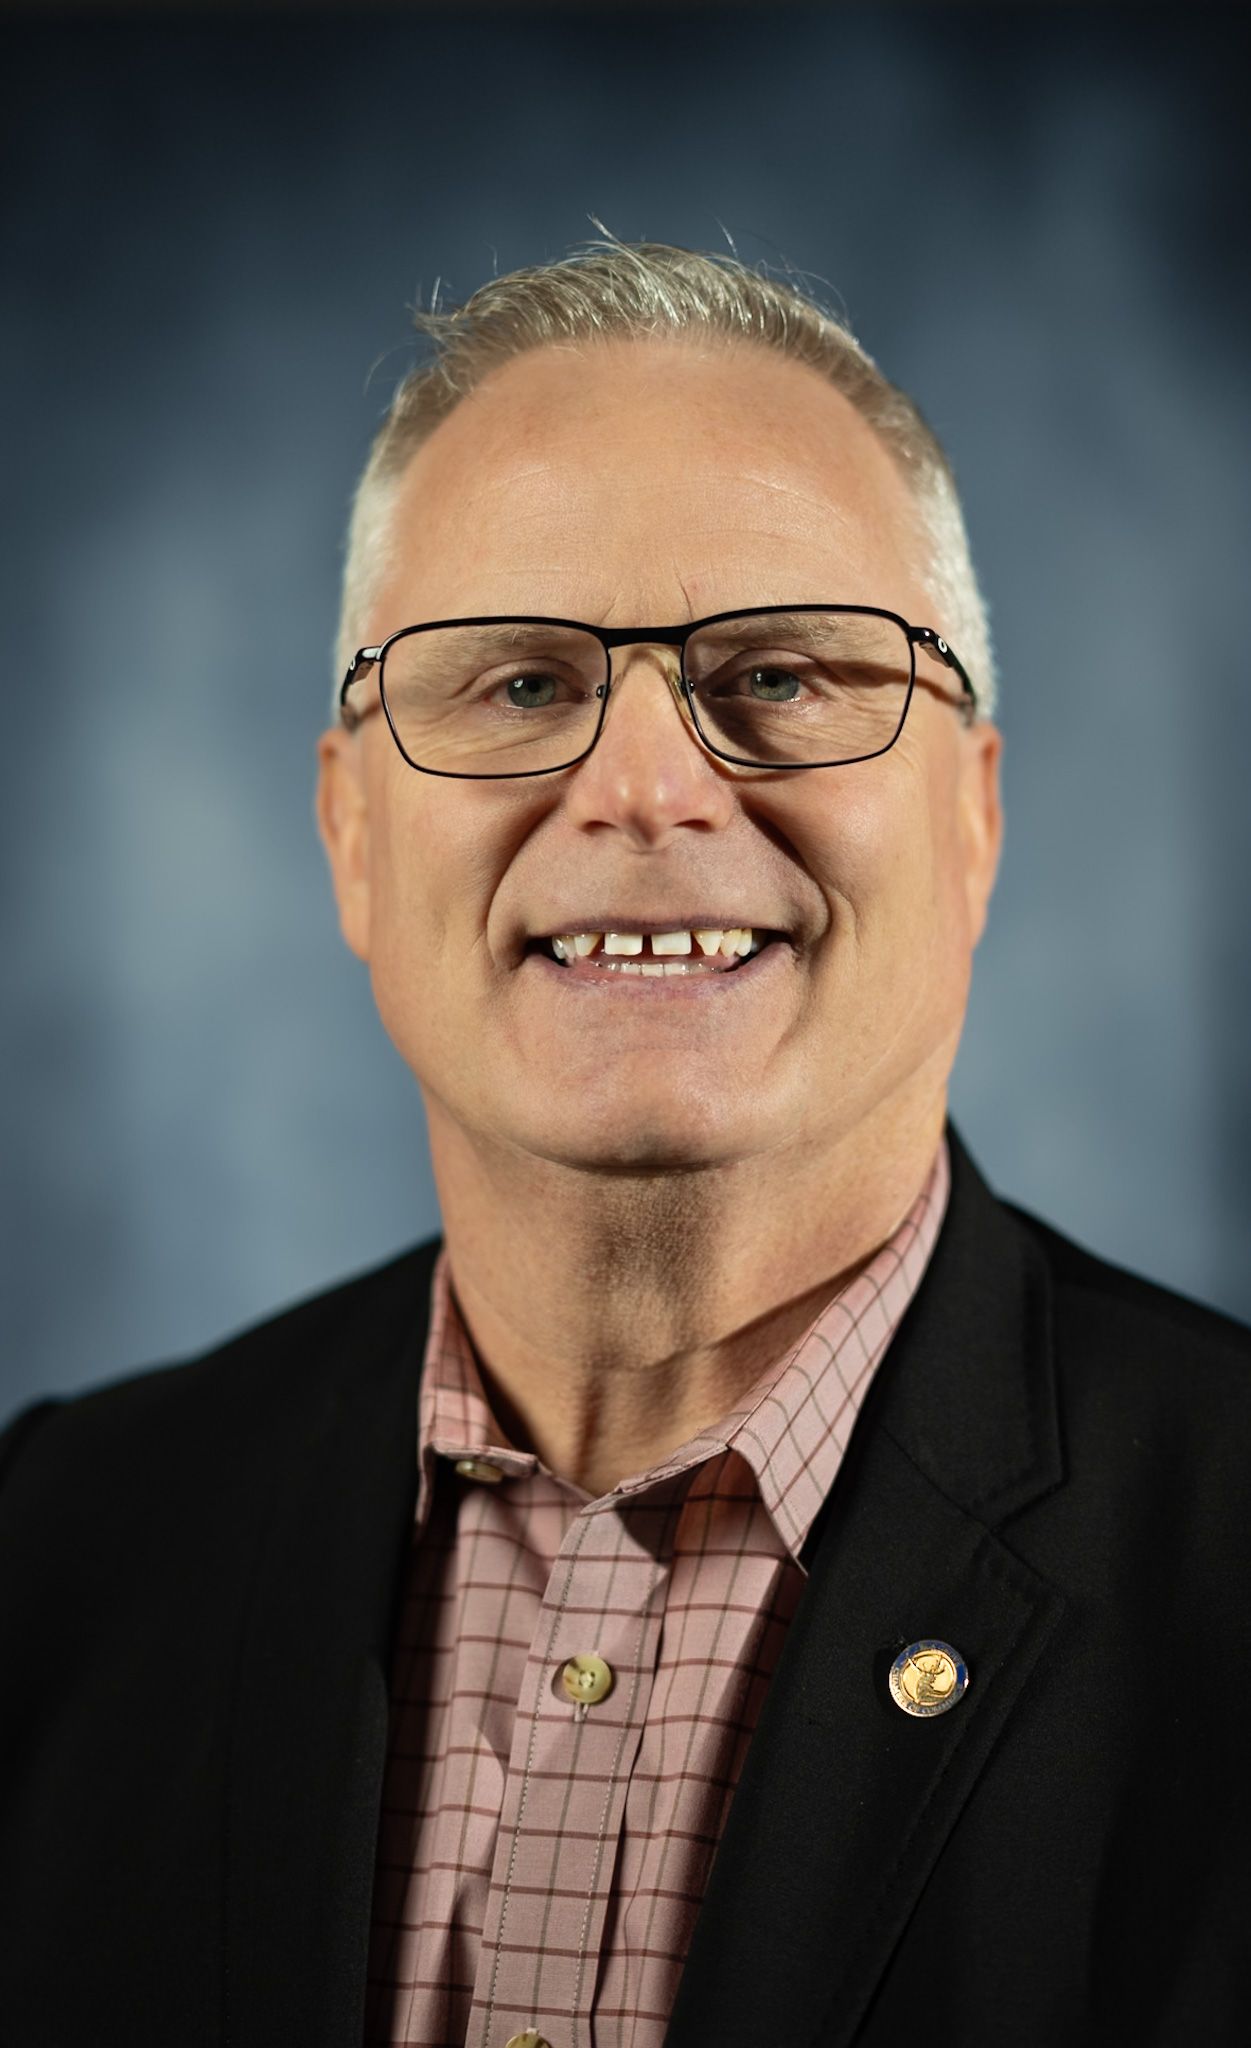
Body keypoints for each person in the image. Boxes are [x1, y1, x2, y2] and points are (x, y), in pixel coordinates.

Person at [1, 238, 1247, 2048]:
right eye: (514, 684)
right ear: (350, 834)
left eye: (788, 677)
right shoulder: (49, 1564)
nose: (648, 786)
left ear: (974, 818)